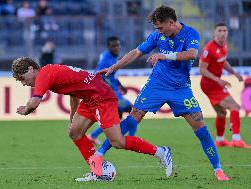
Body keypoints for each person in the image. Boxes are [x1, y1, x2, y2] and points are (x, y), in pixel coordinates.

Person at [95, 5, 229, 181]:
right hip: (156, 85)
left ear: (171, 23)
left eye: (160, 27)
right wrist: (114, 67)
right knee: (133, 116)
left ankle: (218, 169)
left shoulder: (190, 33)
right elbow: (136, 52)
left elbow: (191, 54)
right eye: (156, 28)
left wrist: (164, 56)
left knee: (200, 127)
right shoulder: (157, 36)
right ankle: (99, 154)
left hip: (180, 88)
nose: (157, 31)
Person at [11, 57, 172, 181]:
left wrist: (25, 110)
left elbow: (35, 101)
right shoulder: (50, 72)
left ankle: (161, 151)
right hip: (90, 99)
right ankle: (98, 170)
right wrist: (72, 119)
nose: (24, 83)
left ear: (31, 68)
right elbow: (74, 94)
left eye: (22, 78)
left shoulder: (44, 75)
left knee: (117, 142)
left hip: (101, 97)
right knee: (75, 132)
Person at [199, 23, 251, 148]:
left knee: (221, 113)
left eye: (225, 30)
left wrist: (234, 73)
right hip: (210, 84)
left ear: (227, 32)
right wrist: (218, 80)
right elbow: (202, 70)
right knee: (235, 107)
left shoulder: (224, 46)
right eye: (220, 30)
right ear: (214, 33)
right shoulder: (208, 49)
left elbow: (223, 61)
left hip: (213, 83)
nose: (222, 33)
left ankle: (220, 140)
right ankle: (236, 139)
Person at [88, 36, 134, 145]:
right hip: (109, 93)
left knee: (117, 118)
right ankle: (131, 139)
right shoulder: (106, 60)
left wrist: (120, 85)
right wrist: (110, 89)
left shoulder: (111, 56)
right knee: (133, 111)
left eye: (118, 45)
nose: (117, 48)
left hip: (112, 91)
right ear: (108, 47)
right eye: (114, 46)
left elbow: (111, 75)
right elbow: (99, 75)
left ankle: (92, 136)